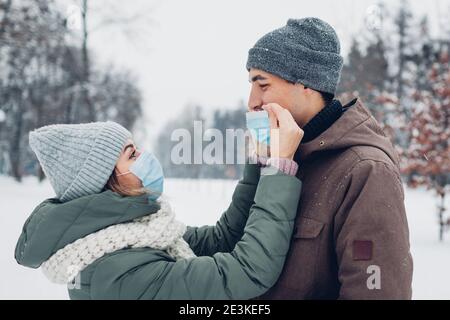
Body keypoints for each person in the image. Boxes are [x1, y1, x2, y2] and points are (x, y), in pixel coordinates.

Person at [15, 106, 304, 300]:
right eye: (132, 155)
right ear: (105, 183)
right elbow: (246, 272)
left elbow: (223, 238)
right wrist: (279, 170)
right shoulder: (118, 272)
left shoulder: (137, 234)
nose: (145, 157)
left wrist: (260, 162)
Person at [245, 17, 413, 299]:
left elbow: (377, 292)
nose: (252, 101)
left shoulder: (366, 171)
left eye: (262, 85)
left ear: (306, 84)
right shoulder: (284, 162)